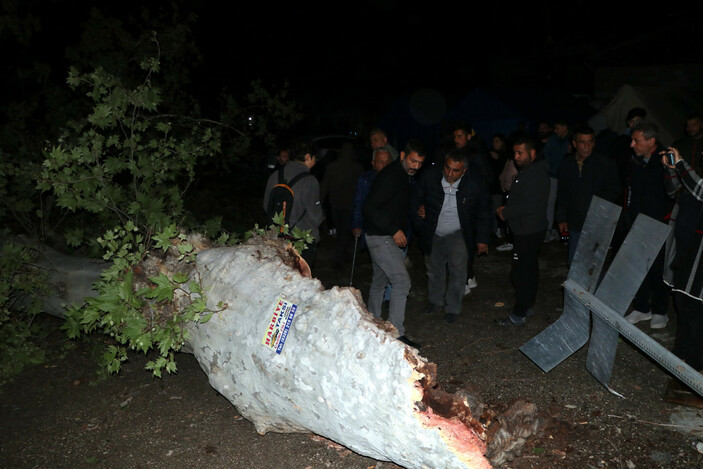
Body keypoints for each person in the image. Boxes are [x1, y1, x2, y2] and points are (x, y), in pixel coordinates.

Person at [413, 148, 492, 324]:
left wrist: (482, 239)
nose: (449, 173)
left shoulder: (474, 183)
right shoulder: (430, 177)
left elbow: (484, 211)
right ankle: (435, 301)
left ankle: (452, 308)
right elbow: (415, 197)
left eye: (455, 170)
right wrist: (420, 213)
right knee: (434, 270)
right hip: (433, 230)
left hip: (458, 232)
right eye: (447, 168)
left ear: (464, 171)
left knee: (458, 271)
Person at [363, 139, 426, 348]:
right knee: (401, 282)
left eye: (420, 163)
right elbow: (370, 208)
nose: (415, 166)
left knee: (380, 280)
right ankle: (396, 334)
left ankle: (372, 326)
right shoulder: (391, 176)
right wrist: (394, 229)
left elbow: (397, 204)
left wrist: (417, 209)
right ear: (402, 155)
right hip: (381, 237)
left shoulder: (403, 176)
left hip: (382, 234)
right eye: (412, 161)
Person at [661, 146, 703, 407]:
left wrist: (682, 163)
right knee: (683, 305)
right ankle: (683, 360)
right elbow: (675, 191)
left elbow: (700, 189)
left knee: (698, 311)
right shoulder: (695, 173)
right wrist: (670, 168)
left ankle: (699, 370)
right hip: (688, 251)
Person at [495, 133, 550, 326]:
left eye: (520, 153)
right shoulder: (531, 170)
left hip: (529, 230)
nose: (516, 157)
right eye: (515, 153)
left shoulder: (535, 173)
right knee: (529, 269)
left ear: (532, 153)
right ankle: (526, 305)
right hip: (529, 228)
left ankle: (519, 313)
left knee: (521, 272)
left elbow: (530, 205)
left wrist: (507, 212)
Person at [622, 122, 674, 329]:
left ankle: (661, 310)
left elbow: (674, 192)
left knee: (658, 269)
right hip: (637, 221)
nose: (632, 144)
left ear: (651, 141)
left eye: (637, 140)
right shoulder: (636, 160)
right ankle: (642, 307)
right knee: (637, 266)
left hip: (660, 223)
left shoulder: (666, 160)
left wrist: (665, 219)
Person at [556, 125, 620, 266]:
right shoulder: (567, 163)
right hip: (575, 222)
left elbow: (614, 191)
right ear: (574, 144)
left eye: (590, 142)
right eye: (582, 142)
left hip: (597, 222)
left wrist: (596, 208)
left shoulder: (605, 164)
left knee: (592, 265)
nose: (586, 146)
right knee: (574, 262)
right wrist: (561, 218)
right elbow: (562, 193)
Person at [263, 140, 325, 271]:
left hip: (277, 238)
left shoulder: (275, 175)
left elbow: (266, 206)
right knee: (300, 283)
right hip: (302, 241)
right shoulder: (310, 181)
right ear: (308, 156)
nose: (315, 162)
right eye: (315, 158)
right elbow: (316, 217)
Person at [453, 122, 493, 294]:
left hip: (472, 203)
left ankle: (464, 281)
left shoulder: (476, 155)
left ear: (469, 136)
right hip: (463, 202)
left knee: (465, 242)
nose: (456, 140)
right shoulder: (457, 153)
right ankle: (469, 277)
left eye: (460, 136)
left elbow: (485, 178)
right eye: (454, 136)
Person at [320, 142, 364, 269]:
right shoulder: (357, 167)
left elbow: (325, 186)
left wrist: (320, 202)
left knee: (341, 231)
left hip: (336, 204)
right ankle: (339, 258)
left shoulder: (332, 166)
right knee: (344, 231)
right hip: (350, 205)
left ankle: (342, 255)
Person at [541, 119, 571, 242]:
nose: (555, 130)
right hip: (553, 176)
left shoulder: (572, 140)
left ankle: (567, 231)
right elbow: (545, 157)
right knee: (550, 202)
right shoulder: (553, 140)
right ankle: (548, 229)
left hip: (568, 178)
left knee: (567, 203)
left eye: (558, 128)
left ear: (565, 127)